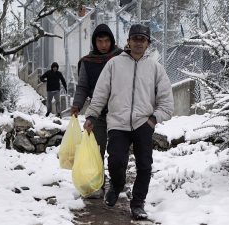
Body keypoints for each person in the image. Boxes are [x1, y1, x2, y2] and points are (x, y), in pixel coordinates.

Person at [83, 24, 174, 220]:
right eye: (135, 39)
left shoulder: (156, 68)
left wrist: (153, 119)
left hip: (143, 124)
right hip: (117, 123)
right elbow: (100, 93)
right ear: (128, 42)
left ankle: (138, 204)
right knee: (116, 161)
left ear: (148, 43)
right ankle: (116, 186)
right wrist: (91, 115)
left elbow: (167, 102)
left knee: (144, 165)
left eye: (143, 39)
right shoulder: (114, 64)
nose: (139, 42)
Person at [71, 24, 123, 198]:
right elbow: (82, 86)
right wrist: (77, 105)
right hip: (98, 113)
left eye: (107, 41)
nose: (103, 45)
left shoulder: (121, 58)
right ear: (94, 42)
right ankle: (98, 183)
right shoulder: (87, 62)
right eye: (100, 41)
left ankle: (117, 183)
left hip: (119, 112)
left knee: (117, 152)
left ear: (112, 41)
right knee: (97, 148)